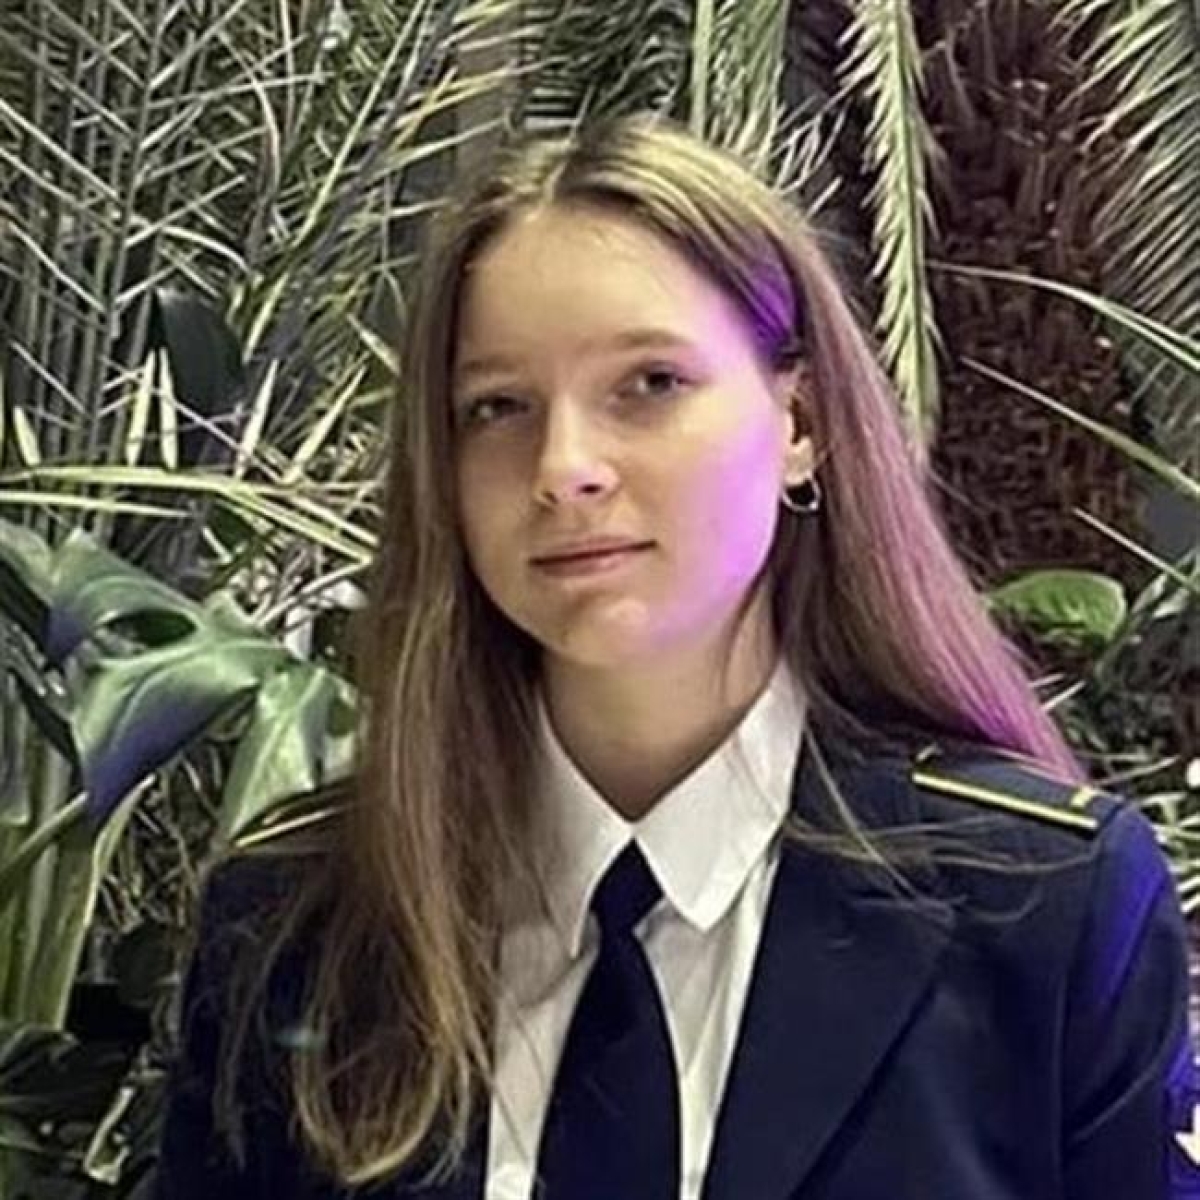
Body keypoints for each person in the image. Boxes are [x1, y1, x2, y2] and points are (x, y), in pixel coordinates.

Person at [153, 114, 1199, 1200]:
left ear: (799, 422)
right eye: (498, 407)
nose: (564, 467)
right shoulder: (299, 923)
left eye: (648, 383)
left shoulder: (1043, 905)